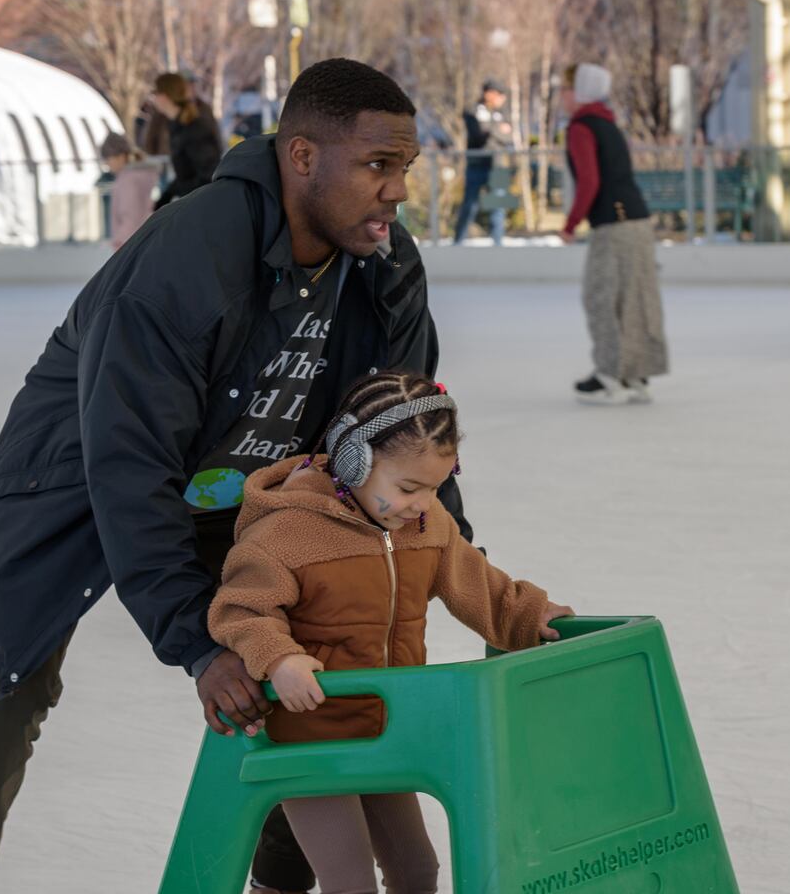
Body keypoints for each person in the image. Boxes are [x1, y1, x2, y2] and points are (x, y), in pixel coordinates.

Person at [0, 58, 469, 894]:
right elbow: (127, 462)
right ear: (301, 158)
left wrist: (455, 557)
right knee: (5, 695)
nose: (396, 191)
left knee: (324, 659)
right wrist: (196, 640)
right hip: (74, 487)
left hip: (246, 492)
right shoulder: (188, 255)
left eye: (404, 169)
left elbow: (405, 435)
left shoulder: (383, 265)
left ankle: (278, 885)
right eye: (375, 166)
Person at [209, 372, 574, 893]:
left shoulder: (427, 526)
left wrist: (529, 615)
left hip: (386, 731)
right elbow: (241, 609)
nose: (422, 503)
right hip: (310, 743)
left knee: (416, 872)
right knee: (350, 883)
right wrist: (279, 659)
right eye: (408, 487)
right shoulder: (286, 532)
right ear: (354, 460)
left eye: (434, 487)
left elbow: (478, 585)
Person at [559, 63, 668, 404]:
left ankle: (609, 376)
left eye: (564, 90)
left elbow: (590, 180)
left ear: (578, 92)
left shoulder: (581, 127)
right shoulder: (608, 122)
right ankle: (636, 374)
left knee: (601, 297)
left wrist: (570, 223)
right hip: (637, 220)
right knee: (636, 298)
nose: (561, 98)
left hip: (613, 224)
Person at [452, 79, 514, 245]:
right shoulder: (472, 111)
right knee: (470, 206)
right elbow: (478, 133)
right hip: (477, 165)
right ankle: (458, 243)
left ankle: (497, 245)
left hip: (497, 165)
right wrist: (497, 129)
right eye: (500, 95)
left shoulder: (503, 112)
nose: (503, 99)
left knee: (498, 207)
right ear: (489, 93)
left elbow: (509, 137)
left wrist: (490, 129)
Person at [152, 71, 223, 208]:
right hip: (193, 204)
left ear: (165, 96)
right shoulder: (177, 127)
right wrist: (164, 199)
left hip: (203, 206)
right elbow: (184, 175)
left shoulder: (195, 129)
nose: (153, 98)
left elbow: (208, 174)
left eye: (155, 93)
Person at [97, 131, 160, 249]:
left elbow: (131, 215)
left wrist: (120, 242)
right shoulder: (137, 176)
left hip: (129, 244)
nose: (106, 164)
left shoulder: (128, 181)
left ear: (120, 156)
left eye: (108, 159)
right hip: (140, 242)